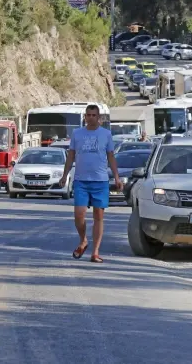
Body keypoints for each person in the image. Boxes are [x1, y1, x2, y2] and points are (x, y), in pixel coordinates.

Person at [59, 104, 121, 264]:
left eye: (94, 115)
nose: (91, 117)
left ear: (99, 117)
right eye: (88, 115)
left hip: (100, 181)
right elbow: (71, 156)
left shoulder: (106, 134)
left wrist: (117, 177)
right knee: (79, 215)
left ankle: (95, 252)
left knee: (98, 216)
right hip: (81, 180)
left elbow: (111, 157)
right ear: (84, 117)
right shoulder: (77, 134)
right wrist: (65, 175)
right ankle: (83, 240)